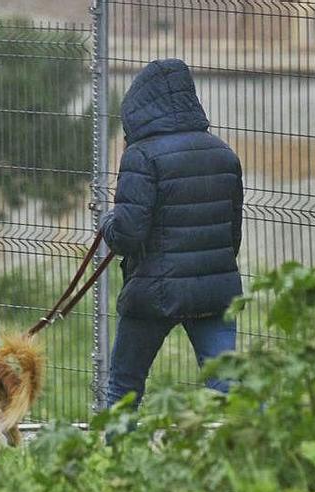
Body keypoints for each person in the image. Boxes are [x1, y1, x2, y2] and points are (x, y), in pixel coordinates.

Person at [100, 58, 243, 408]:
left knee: (124, 386)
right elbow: (232, 235)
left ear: (139, 107)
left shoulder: (141, 156)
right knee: (228, 386)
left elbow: (128, 235)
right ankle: (248, 455)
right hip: (214, 290)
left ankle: (115, 460)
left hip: (154, 292)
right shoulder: (223, 154)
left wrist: (107, 224)